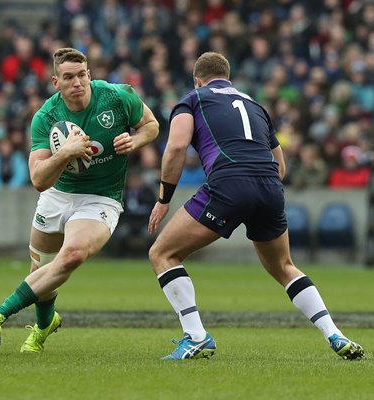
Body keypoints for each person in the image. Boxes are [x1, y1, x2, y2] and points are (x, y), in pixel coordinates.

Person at [147, 52, 364, 361]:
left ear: (198, 80)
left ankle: (196, 336)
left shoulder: (192, 99)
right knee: (284, 266)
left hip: (228, 184)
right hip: (270, 187)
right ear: (229, 77)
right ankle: (335, 334)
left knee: (162, 253)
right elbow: (281, 166)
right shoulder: (254, 104)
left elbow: (177, 145)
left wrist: (164, 198)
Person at [0, 47, 159, 352]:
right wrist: (65, 153)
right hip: (57, 195)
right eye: (68, 77)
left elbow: (151, 124)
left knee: (72, 255)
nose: (77, 83)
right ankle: (44, 324)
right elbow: (38, 180)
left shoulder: (118, 97)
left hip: (101, 198)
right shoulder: (45, 116)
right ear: (55, 82)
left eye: (81, 75)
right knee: (44, 271)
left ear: (89, 74)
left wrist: (135, 139)